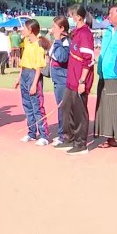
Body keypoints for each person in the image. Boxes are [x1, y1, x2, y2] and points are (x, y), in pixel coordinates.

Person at [58, 5, 95, 155]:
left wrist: (82, 81)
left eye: (71, 15)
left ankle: (81, 144)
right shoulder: (76, 32)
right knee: (66, 108)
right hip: (71, 80)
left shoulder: (85, 34)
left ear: (78, 16)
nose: (70, 17)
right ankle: (69, 138)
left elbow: (88, 59)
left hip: (79, 80)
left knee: (80, 112)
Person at [93, 5, 117, 149]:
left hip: (116, 75)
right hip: (104, 74)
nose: (109, 16)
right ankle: (110, 137)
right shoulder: (108, 31)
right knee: (105, 107)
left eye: (112, 13)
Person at [15, 19, 50, 146]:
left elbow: (39, 66)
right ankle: (31, 132)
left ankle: (44, 135)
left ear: (30, 30)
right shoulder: (26, 42)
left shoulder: (38, 45)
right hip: (25, 74)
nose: (22, 30)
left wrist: (34, 84)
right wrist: (19, 78)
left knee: (37, 106)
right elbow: (23, 62)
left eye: (24, 28)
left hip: (33, 75)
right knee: (27, 106)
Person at [47, 17, 70, 147]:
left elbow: (62, 57)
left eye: (54, 27)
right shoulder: (59, 41)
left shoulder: (65, 42)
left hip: (63, 80)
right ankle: (62, 133)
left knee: (64, 109)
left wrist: (57, 40)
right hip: (58, 80)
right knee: (61, 108)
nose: (52, 29)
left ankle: (65, 135)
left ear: (62, 28)